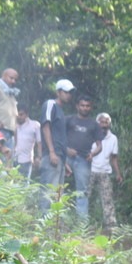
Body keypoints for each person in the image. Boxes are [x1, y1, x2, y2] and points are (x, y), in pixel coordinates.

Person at [39, 79, 75, 213]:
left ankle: (53, 226)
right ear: (58, 92)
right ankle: (44, 224)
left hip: (59, 157)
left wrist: (64, 162)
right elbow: (45, 126)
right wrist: (52, 152)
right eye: (66, 92)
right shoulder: (50, 104)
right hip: (51, 156)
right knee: (49, 191)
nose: (69, 95)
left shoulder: (60, 110)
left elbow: (59, 138)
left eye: (70, 93)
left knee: (57, 194)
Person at [65, 96, 103, 220]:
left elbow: (99, 146)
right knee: (58, 187)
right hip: (66, 158)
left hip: (83, 160)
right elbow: (58, 137)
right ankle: (58, 220)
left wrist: (92, 154)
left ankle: (81, 224)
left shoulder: (94, 124)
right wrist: (66, 149)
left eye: (87, 106)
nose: (85, 108)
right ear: (77, 106)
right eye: (82, 105)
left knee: (82, 191)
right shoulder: (69, 120)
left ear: (90, 107)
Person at [88, 112, 122, 230]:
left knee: (107, 199)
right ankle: (83, 224)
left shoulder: (113, 138)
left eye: (106, 122)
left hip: (105, 172)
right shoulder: (90, 135)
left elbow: (114, 158)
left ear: (109, 124)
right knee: (85, 197)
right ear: (97, 123)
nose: (104, 124)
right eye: (101, 122)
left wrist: (118, 174)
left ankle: (111, 226)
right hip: (90, 171)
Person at [14, 104, 41, 181]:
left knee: (24, 185)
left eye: (21, 114)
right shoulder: (14, 125)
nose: (19, 116)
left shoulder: (35, 125)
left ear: (27, 114)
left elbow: (39, 142)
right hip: (14, 159)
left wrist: (39, 157)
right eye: (17, 114)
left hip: (26, 160)